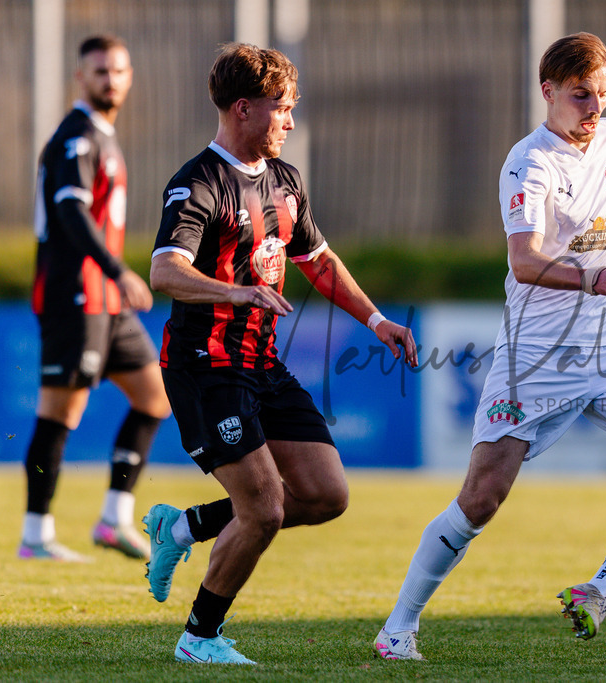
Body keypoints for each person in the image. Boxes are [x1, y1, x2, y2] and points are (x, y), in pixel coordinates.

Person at [373, 32, 606, 661]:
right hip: (535, 358)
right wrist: (593, 277)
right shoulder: (528, 162)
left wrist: (599, 286)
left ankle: (600, 589)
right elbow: (524, 260)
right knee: (480, 501)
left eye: (604, 96)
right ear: (549, 91)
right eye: (581, 95)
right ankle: (398, 629)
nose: (594, 109)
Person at [147, 42, 418, 665]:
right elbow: (165, 270)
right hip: (205, 366)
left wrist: (375, 319)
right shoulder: (198, 182)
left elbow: (316, 261)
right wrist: (235, 291)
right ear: (243, 109)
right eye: (283, 108)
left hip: (264, 367)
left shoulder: (285, 181)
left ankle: (181, 528)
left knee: (325, 496)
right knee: (264, 508)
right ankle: (200, 638)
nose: (291, 120)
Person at [20, 35, 170, 562]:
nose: (111, 79)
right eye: (100, 71)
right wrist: (116, 268)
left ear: (130, 78)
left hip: (109, 301)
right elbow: (70, 212)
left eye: (119, 71)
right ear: (80, 77)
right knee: (61, 412)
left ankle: (114, 518)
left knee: (155, 397)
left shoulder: (102, 134)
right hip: (75, 296)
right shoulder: (77, 137)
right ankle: (36, 533)